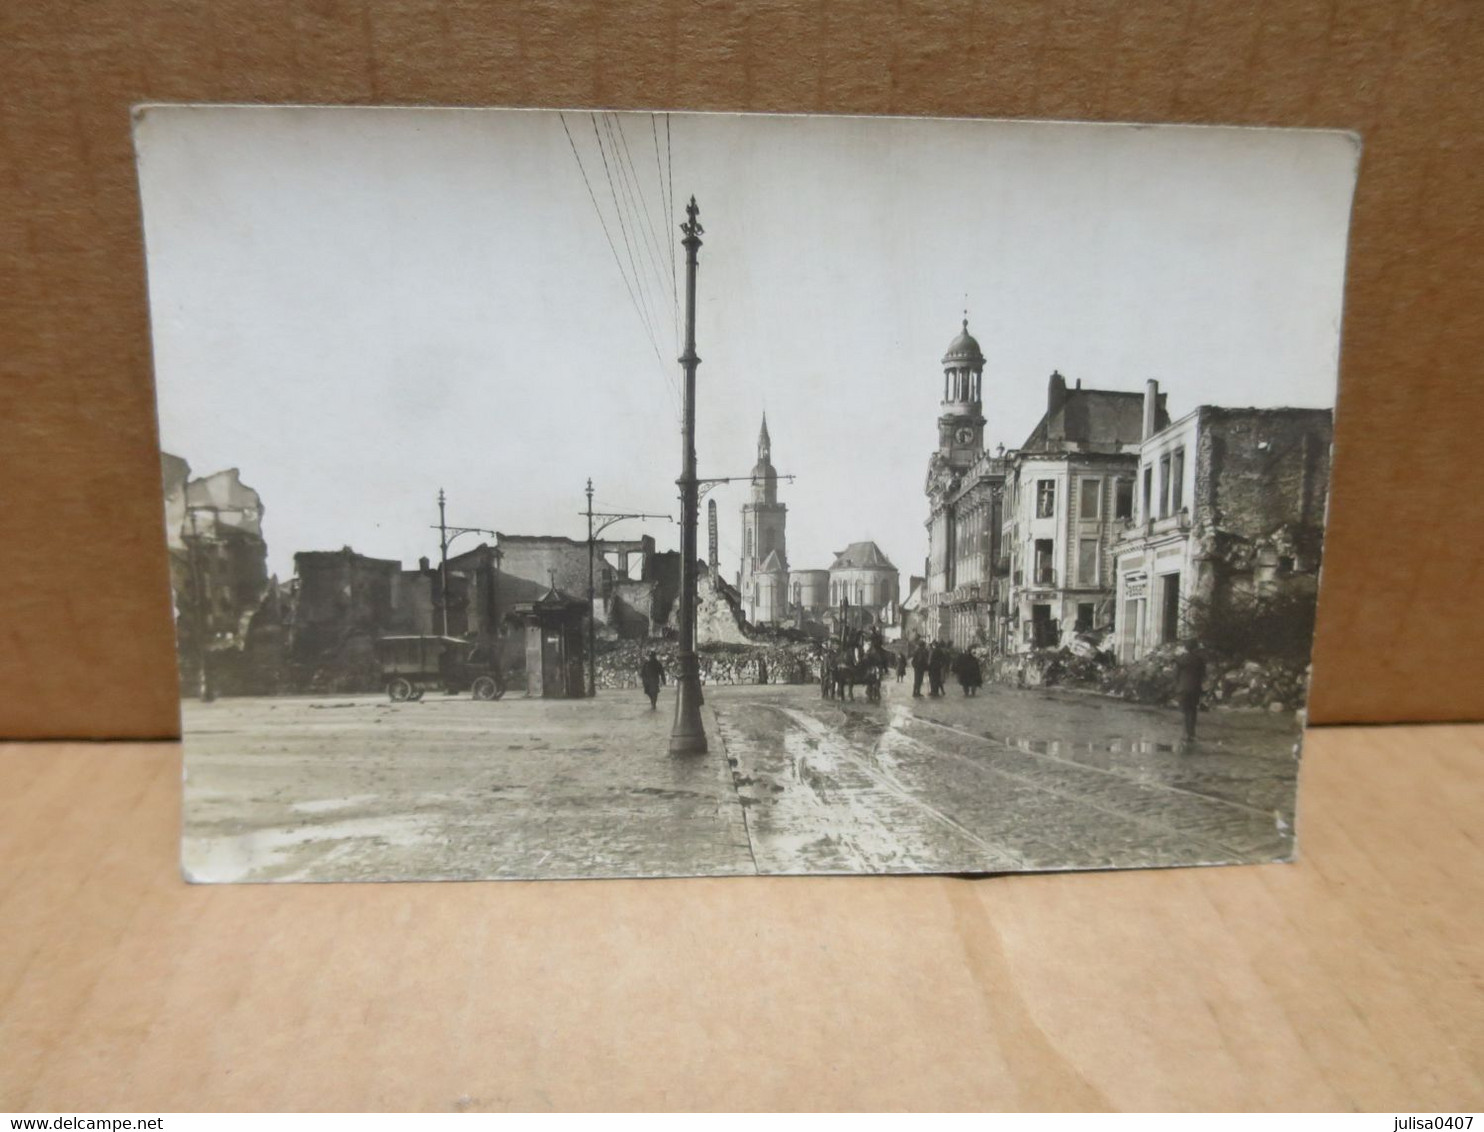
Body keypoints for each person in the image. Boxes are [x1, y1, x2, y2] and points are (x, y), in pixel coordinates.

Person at [1173, 638, 1207, 741]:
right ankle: (1192, 733)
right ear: (1195, 647)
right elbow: (1203, 675)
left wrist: (1177, 686)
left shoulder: (1180, 659)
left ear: (1186, 648)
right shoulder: (1200, 660)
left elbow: (1175, 675)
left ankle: (1185, 733)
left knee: (1184, 710)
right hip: (1195, 688)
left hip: (1183, 688)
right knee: (1193, 710)